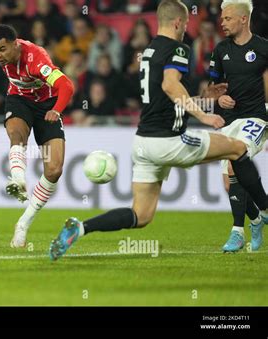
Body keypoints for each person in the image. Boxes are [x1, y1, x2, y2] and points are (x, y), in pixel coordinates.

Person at [48, 0, 268, 261]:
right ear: (177, 22)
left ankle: (81, 228)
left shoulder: (149, 51)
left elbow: (169, 99)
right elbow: (170, 87)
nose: (186, 28)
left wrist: (206, 99)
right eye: (185, 24)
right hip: (170, 141)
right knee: (237, 149)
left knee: (140, 216)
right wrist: (204, 117)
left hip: (143, 144)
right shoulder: (179, 49)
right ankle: (263, 211)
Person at [0, 24, 74, 248]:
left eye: (3, 49)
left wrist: (57, 109)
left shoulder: (36, 59)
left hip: (47, 105)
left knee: (54, 170)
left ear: (16, 45)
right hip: (19, 100)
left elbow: (66, 85)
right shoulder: (5, 59)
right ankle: (18, 179)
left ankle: (23, 223)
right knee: (16, 134)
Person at [209, 0, 268, 252]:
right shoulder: (220, 50)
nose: (222, 23)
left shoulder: (264, 49)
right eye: (222, 19)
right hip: (230, 121)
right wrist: (218, 97)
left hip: (256, 118)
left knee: (236, 159)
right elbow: (210, 89)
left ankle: (237, 231)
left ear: (244, 19)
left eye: (228, 18)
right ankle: (257, 218)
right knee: (229, 183)